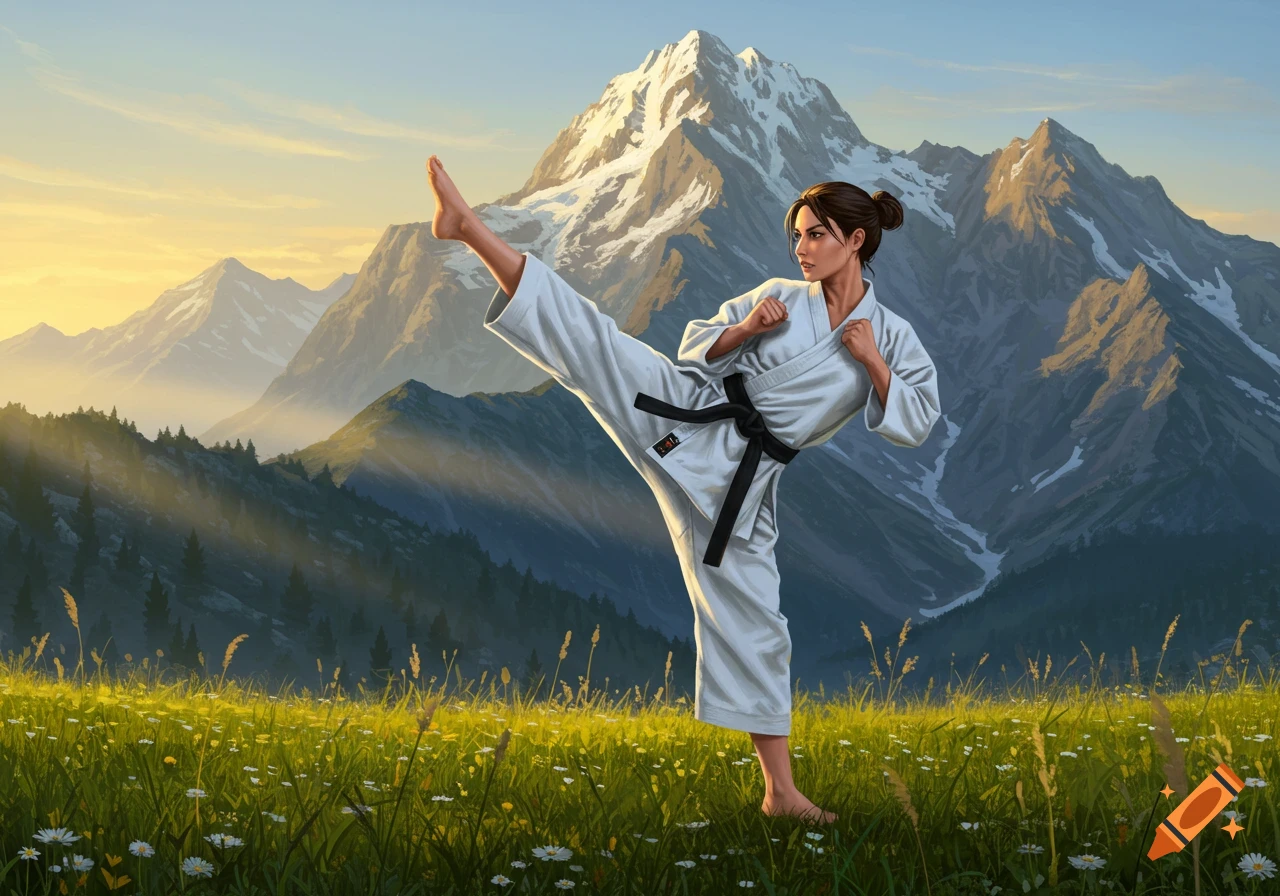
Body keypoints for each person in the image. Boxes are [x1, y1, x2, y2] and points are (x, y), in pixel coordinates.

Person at [426, 154, 941, 823]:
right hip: (685, 415)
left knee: (758, 625)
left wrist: (871, 362)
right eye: (798, 235)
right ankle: (468, 228)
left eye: (816, 234)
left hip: (739, 489)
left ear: (856, 240)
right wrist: (747, 328)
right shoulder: (781, 295)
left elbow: (917, 421)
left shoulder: (892, 337)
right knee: (594, 344)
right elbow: (696, 350)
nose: (802, 248)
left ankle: (780, 794)